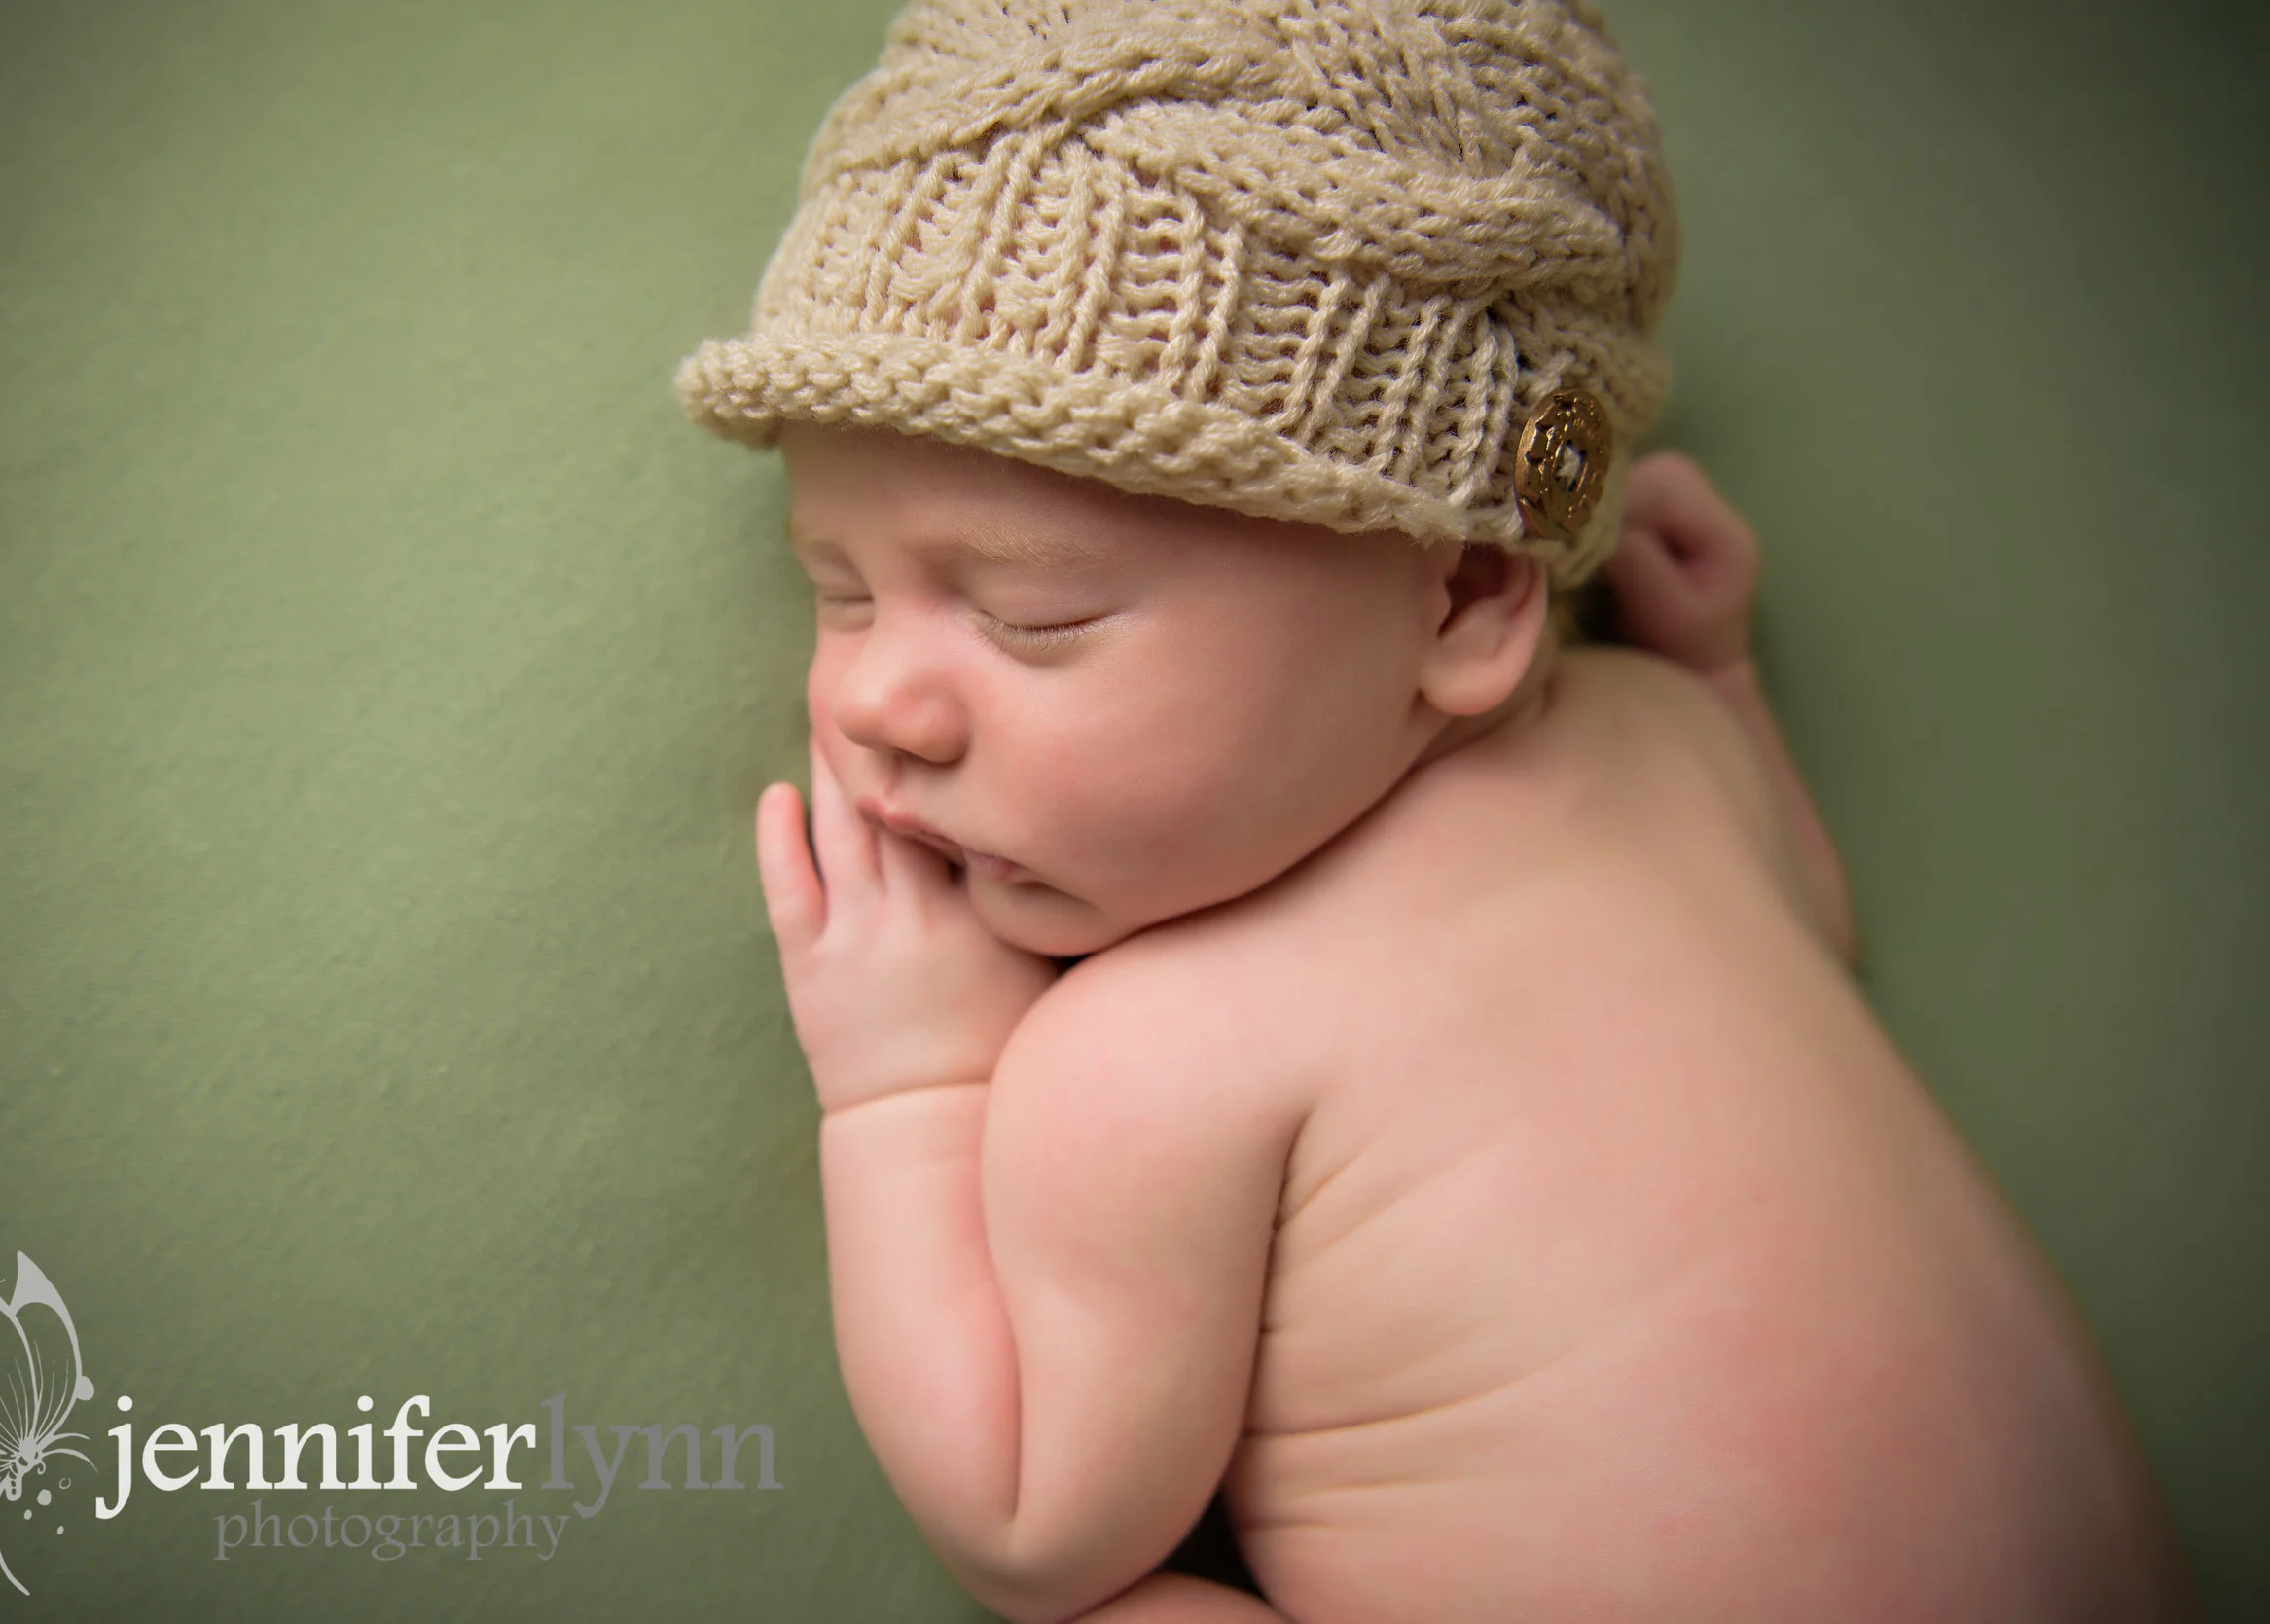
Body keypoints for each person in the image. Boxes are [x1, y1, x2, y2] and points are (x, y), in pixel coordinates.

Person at [676, 4, 2196, 1618]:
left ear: (1470, 597)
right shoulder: (1670, 741)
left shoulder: (1155, 1060)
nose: (868, 705)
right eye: (834, 592)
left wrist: (912, 1081)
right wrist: (1725, 666)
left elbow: (1034, 1526)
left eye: (1033, 620)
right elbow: (1812, 927)